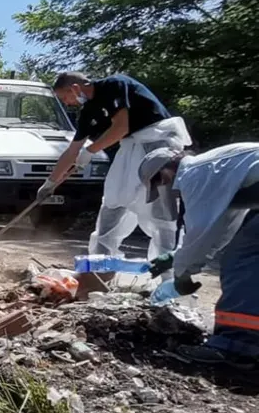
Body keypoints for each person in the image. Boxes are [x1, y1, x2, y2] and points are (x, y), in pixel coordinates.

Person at [39, 72, 190, 268]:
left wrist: (91, 151)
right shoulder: (88, 110)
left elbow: (122, 127)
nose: (67, 104)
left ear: (75, 88)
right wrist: (50, 183)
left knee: (162, 214)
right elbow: (72, 150)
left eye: (65, 98)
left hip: (158, 148)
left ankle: (169, 278)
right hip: (129, 151)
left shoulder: (115, 85)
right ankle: (101, 271)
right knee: (113, 202)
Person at [139, 144, 259, 365]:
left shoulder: (195, 174)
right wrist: (177, 257)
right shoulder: (214, 169)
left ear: (165, 172)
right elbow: (223, 228)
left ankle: (235, 346)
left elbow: (201, 232)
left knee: (241, 263)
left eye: (160, 183)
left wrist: (183, 274)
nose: (166, 189)